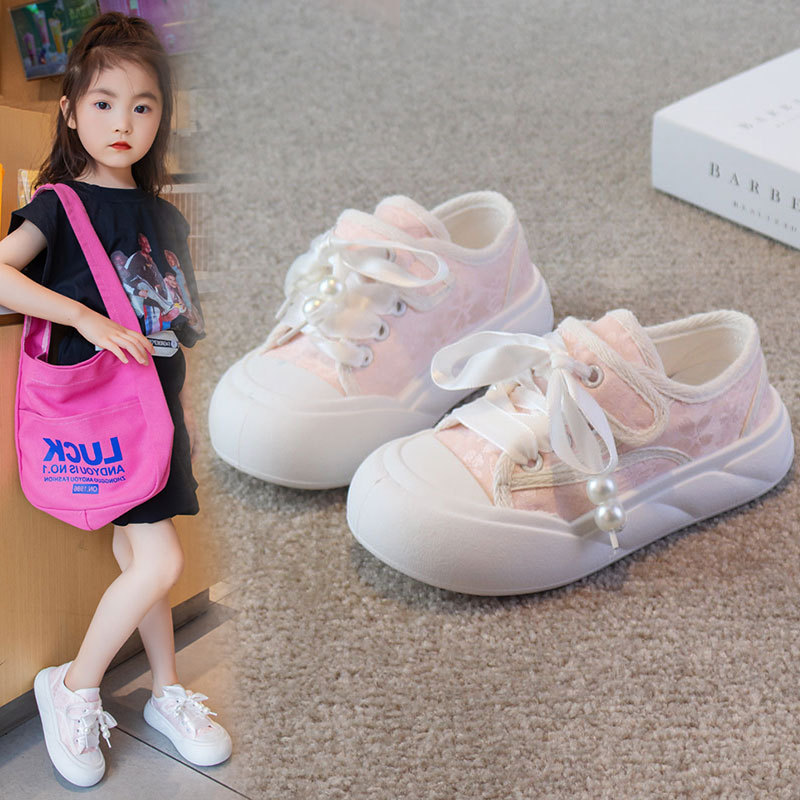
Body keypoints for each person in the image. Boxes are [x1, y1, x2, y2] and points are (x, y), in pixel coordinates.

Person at [0, 13, 229, 788]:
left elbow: (173, 329)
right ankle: (73, 687)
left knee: (143, 561)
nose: (122, 121)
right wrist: (84, 316)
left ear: (162, 115)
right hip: (105, 417)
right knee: (160, 560)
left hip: (158, 414)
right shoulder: (60, 205)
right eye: (102, 103)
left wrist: (185, 408)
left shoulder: (164, 217)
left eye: (142, 105)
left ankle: (165, 692)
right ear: (69, 111)